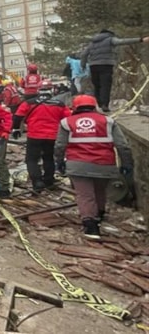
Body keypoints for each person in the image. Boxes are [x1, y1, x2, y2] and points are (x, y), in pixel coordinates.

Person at [55, 94, 134, 239]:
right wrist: (127, 163)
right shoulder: (108, 121)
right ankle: (99, 214)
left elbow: (60, 145)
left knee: (85, 195)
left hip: (77, 165)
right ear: (94, 106)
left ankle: (90, 226)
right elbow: (123, 145)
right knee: (100, 191)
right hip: (104, 164)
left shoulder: (67, 122)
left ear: (75, 107)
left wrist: (59, 162)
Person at [12, 80, 71, 193]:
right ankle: (49, 180)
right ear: (52, 90)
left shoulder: (29, 102)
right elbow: (68, 119)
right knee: (48, 158)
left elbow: (17, 116)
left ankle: (37, 182)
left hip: (34, 136)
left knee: (32, 160)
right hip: (52, 136)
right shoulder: (59, 104)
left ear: (38, 90)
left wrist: (16, 129)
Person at [80, 30, 149, 112]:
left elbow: (84, 54)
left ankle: (99, 104)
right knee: (105, 85)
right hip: (106, 65)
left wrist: (83, 65)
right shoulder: (110, 39)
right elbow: (122, 41)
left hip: (93, 66)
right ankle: (105, 105)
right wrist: (140, 40)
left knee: (97, 85)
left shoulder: (92, 43)